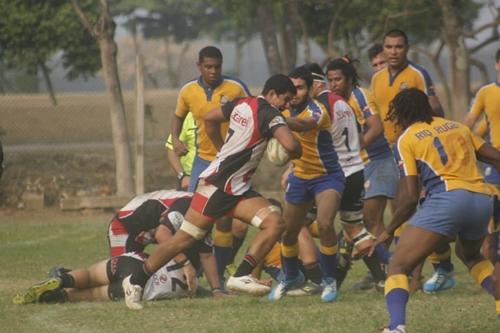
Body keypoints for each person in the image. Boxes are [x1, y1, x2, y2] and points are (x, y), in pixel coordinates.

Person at [122, 74, 301, 310]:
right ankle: (135, 281)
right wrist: (295, 149)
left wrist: (221, 149)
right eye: (286, 99)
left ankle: (241, 275)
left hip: (236, 188)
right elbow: (290, 146)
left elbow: (210, 118)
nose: (287, 106)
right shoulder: (270, 113)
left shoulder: (242, 103)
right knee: (182, 240)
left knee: (275, 222)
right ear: (272, 94)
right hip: (218, 187)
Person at [369, 88, 500, 333]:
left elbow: (408, 197)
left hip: (448, 198)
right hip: (482, 199)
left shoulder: (406, 139)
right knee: (471, 256)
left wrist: (388, 231)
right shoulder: (457, 127)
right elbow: (496, 157)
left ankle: (396, 327)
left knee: (398, 265)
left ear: (400, 114)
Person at [170, 46, 251, 283]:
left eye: (217, 67)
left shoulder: (236, 88)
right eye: (208, 67)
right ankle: (195, 266)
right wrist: (175, 139)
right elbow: (177, 117)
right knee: (195, 214)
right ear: (199, 66)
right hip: (203, 160)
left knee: (225, 218)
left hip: (231, 161)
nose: (213, 71)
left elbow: (252, 114)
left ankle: (222, 267)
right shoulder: (188, 91)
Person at [306, 62, 387, 289]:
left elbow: (376, 127)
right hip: (350, 168)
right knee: (353, 227)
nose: (334, 84)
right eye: (330, 79)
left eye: (338, 79)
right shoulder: (335, 100)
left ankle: (312, 277)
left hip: (356, 166)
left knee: (300, 223)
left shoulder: (353, 97)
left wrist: (356, 147)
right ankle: (382, 276)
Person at [268, 66, 344, 303]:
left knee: (324, 224)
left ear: (311, 89)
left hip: (327, 176)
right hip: (300, 178)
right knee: (289, 232)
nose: (295, 93)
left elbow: (303, 125)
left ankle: (329, 279)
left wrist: (277, 120)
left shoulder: (317, 110)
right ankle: (291, 276)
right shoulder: (286, 108)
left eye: (300, 88)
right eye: (292, 89)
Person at [371, 29, 444, 145]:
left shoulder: (418, 74)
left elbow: (435, 109)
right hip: (386, 148)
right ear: (383, 49)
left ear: (407, 48)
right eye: (388, 47)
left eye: (398, 47)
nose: (393, 52)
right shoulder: (376, 78)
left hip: (414, 144)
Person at [108, 190, 192, 257]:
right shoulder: (187, 204)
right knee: (124, 273)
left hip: (149, 227)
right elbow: (162, 235)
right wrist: (184, 263)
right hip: (123, 225)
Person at [165, 112, 196, 191]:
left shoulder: (223, 115)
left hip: (218, 178)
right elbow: (171, 149)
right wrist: (182, 176)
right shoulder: (188, 118)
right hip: (190, 179)